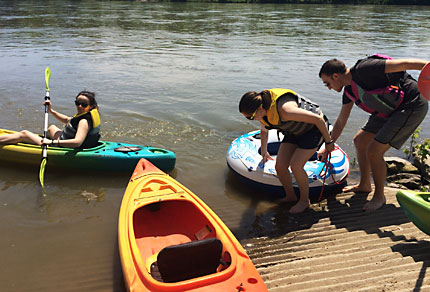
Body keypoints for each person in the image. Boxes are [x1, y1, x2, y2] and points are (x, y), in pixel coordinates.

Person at [319, 55, 429, 212]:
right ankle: (365, 184)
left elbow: (405, 63)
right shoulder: (349, 91)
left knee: (374, 151)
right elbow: (341, 121)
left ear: (335, 76)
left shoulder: (366, 69)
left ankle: (379, 197)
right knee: (360, 141)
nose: (328, 87)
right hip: (390, 110)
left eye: (327, 83)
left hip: (411, 106)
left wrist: (428, 68)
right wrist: (329, 144)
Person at [239, 88, 334, 213]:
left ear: (260, 109)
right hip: (294, 131)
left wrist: (328, 142)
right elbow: (264, 132)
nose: (252, 120)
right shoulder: (263, 114)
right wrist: (264, 151)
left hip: (313, 131)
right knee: (280, 165)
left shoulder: (286, 111)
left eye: (250, 117)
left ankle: (304, 201)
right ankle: (290, 196)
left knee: (296, 165)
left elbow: (318, 119)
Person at [0, 91, 101, 149]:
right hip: (63, 139)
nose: (79, 106)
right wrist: (51, 111)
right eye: (77, 103)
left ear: (91, 106)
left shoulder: (84, 122)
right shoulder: (84, 114)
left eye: (84, 104)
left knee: (24, 133)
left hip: (65, 147)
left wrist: (51, 142)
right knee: (52, 128)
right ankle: (36, 140)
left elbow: (77, 142)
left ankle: (29, 139)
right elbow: (67, 120)